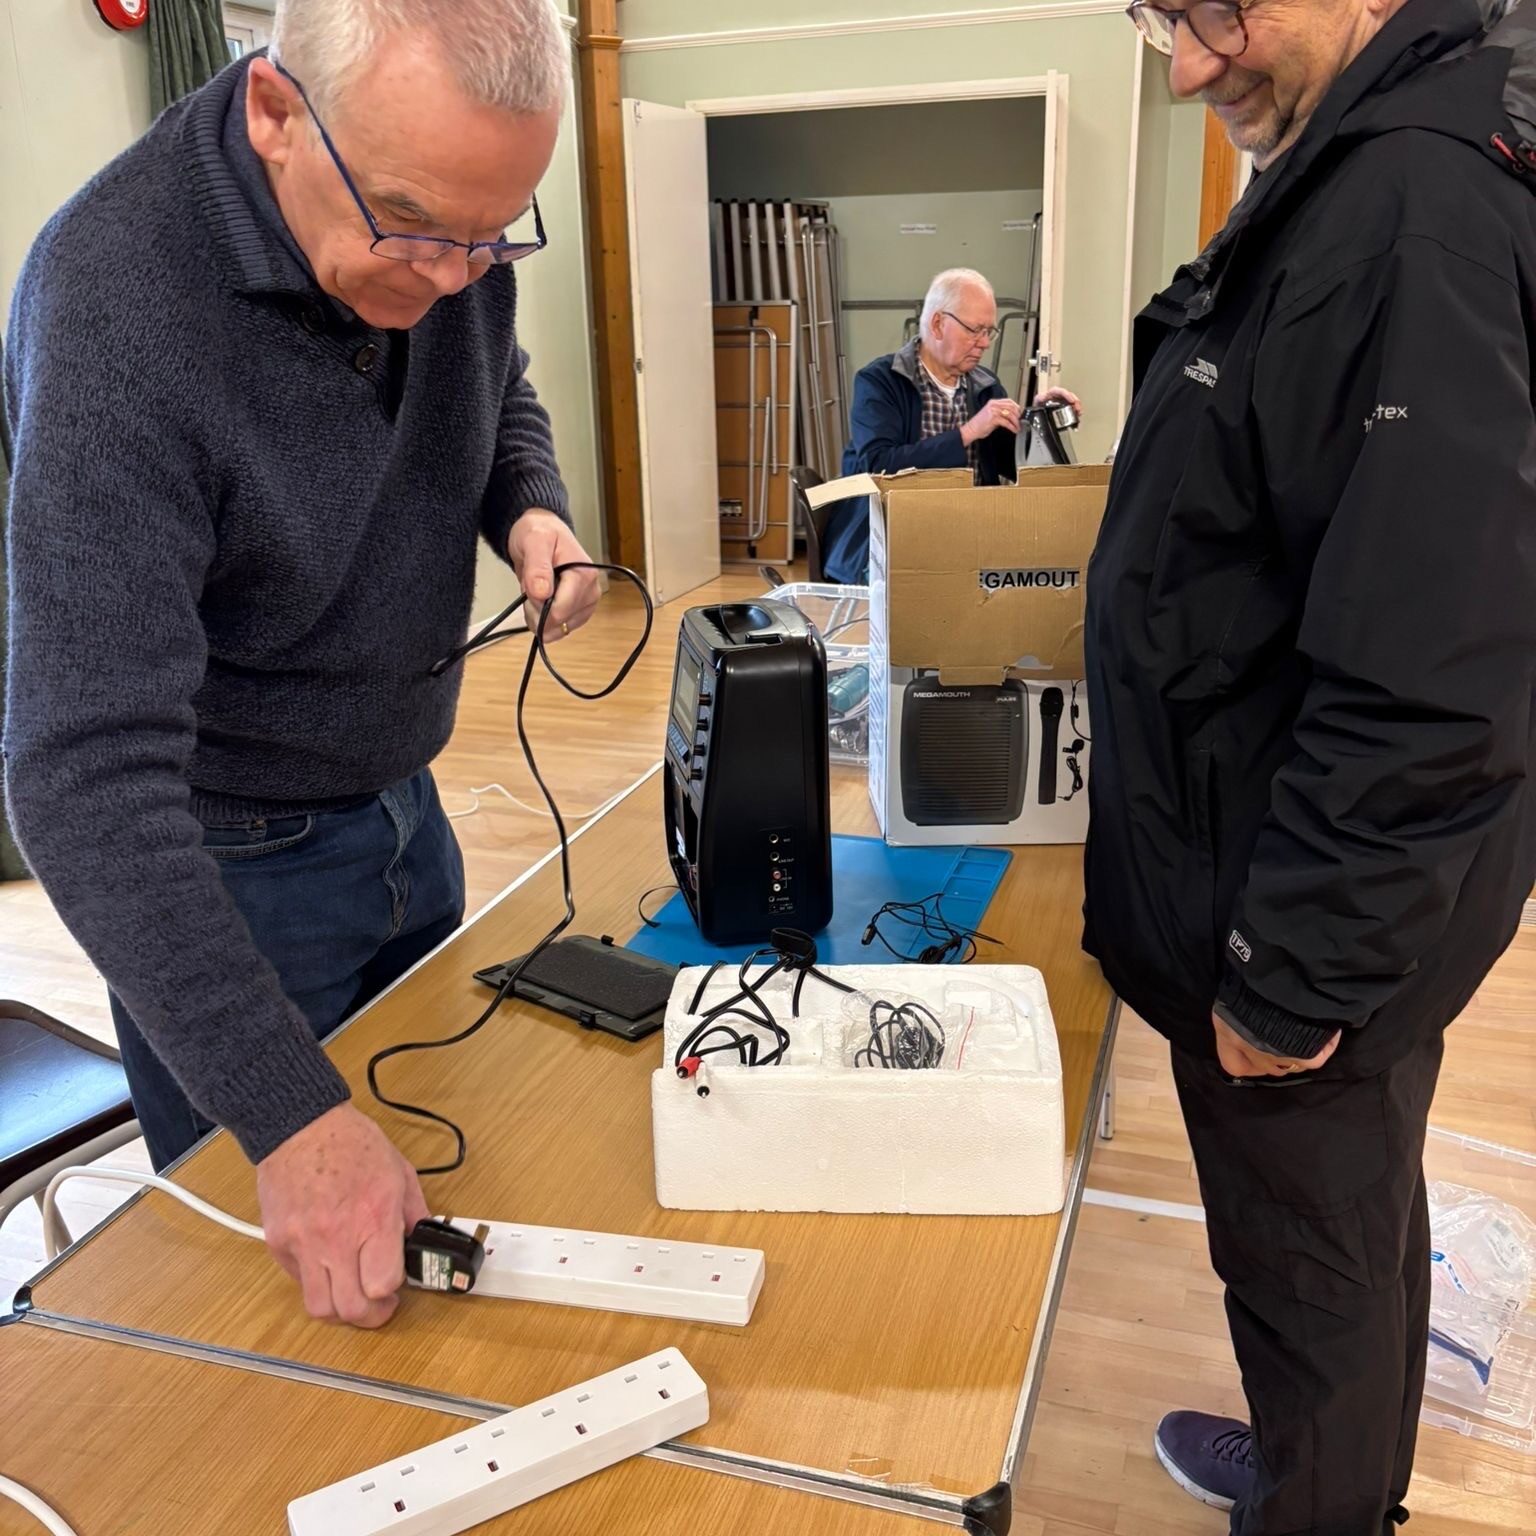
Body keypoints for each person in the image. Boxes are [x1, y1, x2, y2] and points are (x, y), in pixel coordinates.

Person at [2, 0, 601, 1329]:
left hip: (406, 810)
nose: (452, 278)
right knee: (293, 1298)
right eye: (413, 226)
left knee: (432, 1209)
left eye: (495, 235)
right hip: (231, 868)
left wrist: (529, 507)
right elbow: (82, 779)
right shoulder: (114, 306)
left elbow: (496, 379)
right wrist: (287, 1117)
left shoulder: (441, 218)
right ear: (275, 111)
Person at [1084, 0, 1536, 1530]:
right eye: (1161, 16)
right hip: (1300, 884)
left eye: (1216, 7)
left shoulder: (1411, 209)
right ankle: (1319, 1466)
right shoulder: (1370, 166)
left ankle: (1322, 1497)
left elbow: (1438, 672)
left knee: (1309, 1270)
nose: (1189, 63)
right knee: (1349, 1228)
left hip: (1291, 914)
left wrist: (1289, 979)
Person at [820, 266, 1081, 584]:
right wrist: (967, 433)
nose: (984, 343)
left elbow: (1011, 464)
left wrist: (1037, 419)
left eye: (989, 332)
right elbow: (878, 466)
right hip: (891, 537)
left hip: (968, 535)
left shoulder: (985, 385)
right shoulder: (880, 381)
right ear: (937, 324)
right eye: (975, 330)